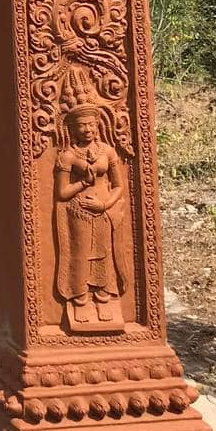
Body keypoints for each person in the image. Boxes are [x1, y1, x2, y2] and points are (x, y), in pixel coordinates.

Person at [54, 103, 126, 330]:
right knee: (81, 252)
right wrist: (83, 182)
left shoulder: (108, 151)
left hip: (103, 210)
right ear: (73, 129)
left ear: (98, 125)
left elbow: (119, 186)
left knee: (104, 252)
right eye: (82, 125)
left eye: (91, 124)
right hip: (78, 211)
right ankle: (80, 297)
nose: (87, 129)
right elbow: (62, 192)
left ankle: (104, 296)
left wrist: (104, 204)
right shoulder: (68, 156)